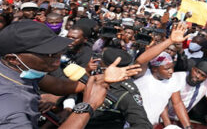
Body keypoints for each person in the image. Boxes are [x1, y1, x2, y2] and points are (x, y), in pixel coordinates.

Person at [0, 20, 141, 128]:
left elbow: (60, 85)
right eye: (48, 53)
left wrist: (103, 77)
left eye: (58, 49)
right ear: (13, 59)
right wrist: (88, 105)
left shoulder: (21, 71)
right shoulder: (12, 105)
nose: (58, 55)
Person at [134, 22, 192, 128]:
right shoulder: (143, 74)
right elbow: (141, 60)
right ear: (155, 69)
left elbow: (178, 103)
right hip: (131, 123)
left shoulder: (173, 80)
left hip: (150, 125)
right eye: (167, 68)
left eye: (171, 67)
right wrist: (170, 40)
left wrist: (188, 127)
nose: (171, 71)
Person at [162, 59, 207, 129]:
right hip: (161, 116)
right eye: (197, 72)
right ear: (192, 68)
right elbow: (173, 103)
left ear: (206, 78)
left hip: (180, 120)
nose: (198, 76)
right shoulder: (176, 77)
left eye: (203, 76)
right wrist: (168, 124)